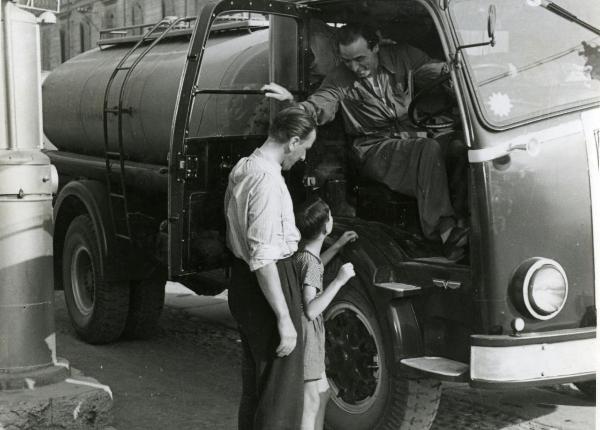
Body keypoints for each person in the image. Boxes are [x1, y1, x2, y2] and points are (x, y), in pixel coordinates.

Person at [262, 23, 468, 260]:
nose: (355, 68)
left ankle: (466, 223)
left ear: (376, 46)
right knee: (428, 150)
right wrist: (293, 104)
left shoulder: (404, 56)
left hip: (412, 138)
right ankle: (445, 234)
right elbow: (319, 105)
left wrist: (454, 72)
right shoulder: (339, 78)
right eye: (347, 61)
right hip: (373, 149)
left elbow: (438, 71)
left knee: (460, 147)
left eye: (360, 59)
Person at [224, 107, 317, 430]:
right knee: (279, 396)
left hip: (244, 282)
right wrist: (284, 319)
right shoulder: (265, 180)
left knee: (258, 391)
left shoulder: (245, 166)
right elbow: (263, 257)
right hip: (270, 285)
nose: (304, 157)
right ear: (292, 142)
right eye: (305, 148)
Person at [293, 197, 357, 430]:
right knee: (312, 400)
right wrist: (339, 281)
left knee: (323, 392)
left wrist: (338, 245)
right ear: (325, 227)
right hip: (308, 333)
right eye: (330, 216)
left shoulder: (303, 254)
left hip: (307, 333)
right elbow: (311, 309)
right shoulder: (309, 263)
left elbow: (316, 264)